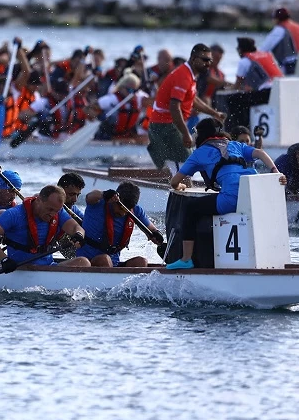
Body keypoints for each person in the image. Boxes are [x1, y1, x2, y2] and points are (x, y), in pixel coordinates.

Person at [165, 119, 284, 269]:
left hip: (231, 199)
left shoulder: (199, 153)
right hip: (254, 196)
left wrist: (180, 185)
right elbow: (260, 153)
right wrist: (276, 172)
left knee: (190, 207)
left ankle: (186, 259)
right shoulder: (235, 145)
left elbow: (174, 181)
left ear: (202, 135)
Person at [147, 43, 226, 173]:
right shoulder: (183, 76)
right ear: (194, 59)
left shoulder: (190, 74)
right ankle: (178, 186)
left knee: (178, 164)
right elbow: (174, 108)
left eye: (210, 60)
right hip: (164, 125)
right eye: (205, 60)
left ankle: (174, 181)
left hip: (166, 124)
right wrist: (185, 134)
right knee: (190, 161)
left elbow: (193, 99)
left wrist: (214, 113)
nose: (208, 63)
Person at [0, 184, 91, 270]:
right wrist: (3, 259)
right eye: (50, 209)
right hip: (20, 268)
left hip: (47, 267)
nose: (52, 214)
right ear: (39, 201)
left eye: (56, 211)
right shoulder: (14, 214)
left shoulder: (58, 212)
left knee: (83, 262)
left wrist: (79, 235)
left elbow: (76, 227)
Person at [76, 183, 162, 267]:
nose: (122, 213)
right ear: (115, 199)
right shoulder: (97, 202)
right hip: (87, 261)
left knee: (141, 262)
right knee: (104, 259)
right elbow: (89, 196)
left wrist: (156, 234)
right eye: (121, 208)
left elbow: (151, 229)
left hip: (113, 264)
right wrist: (105, 193)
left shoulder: (136, 211)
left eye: (126, 210)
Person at [222, 37, 283, 130]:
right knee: (246, 98)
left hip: (265, 94)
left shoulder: (244, 61)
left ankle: (242, 129)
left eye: (237, 48)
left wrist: (227, 88)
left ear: (241, 49)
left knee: (233, 100)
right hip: (278, 91)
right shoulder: (266, 55)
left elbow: (237, 86)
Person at [96, 71, 147, 142]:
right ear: (122, 88)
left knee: (146, 139)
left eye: (135, 91)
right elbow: (88, 109)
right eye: (130, 90)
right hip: (108, 137)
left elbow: (153, 102)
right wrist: (98, 115)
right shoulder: (111, 99)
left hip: (125, 136)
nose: (132, 94)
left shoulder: (137, 100)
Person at [261, 7, 299, 75]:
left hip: (290, 65)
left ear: (277, 19)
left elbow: (263, 49)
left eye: (273, 18)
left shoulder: (279, 30)